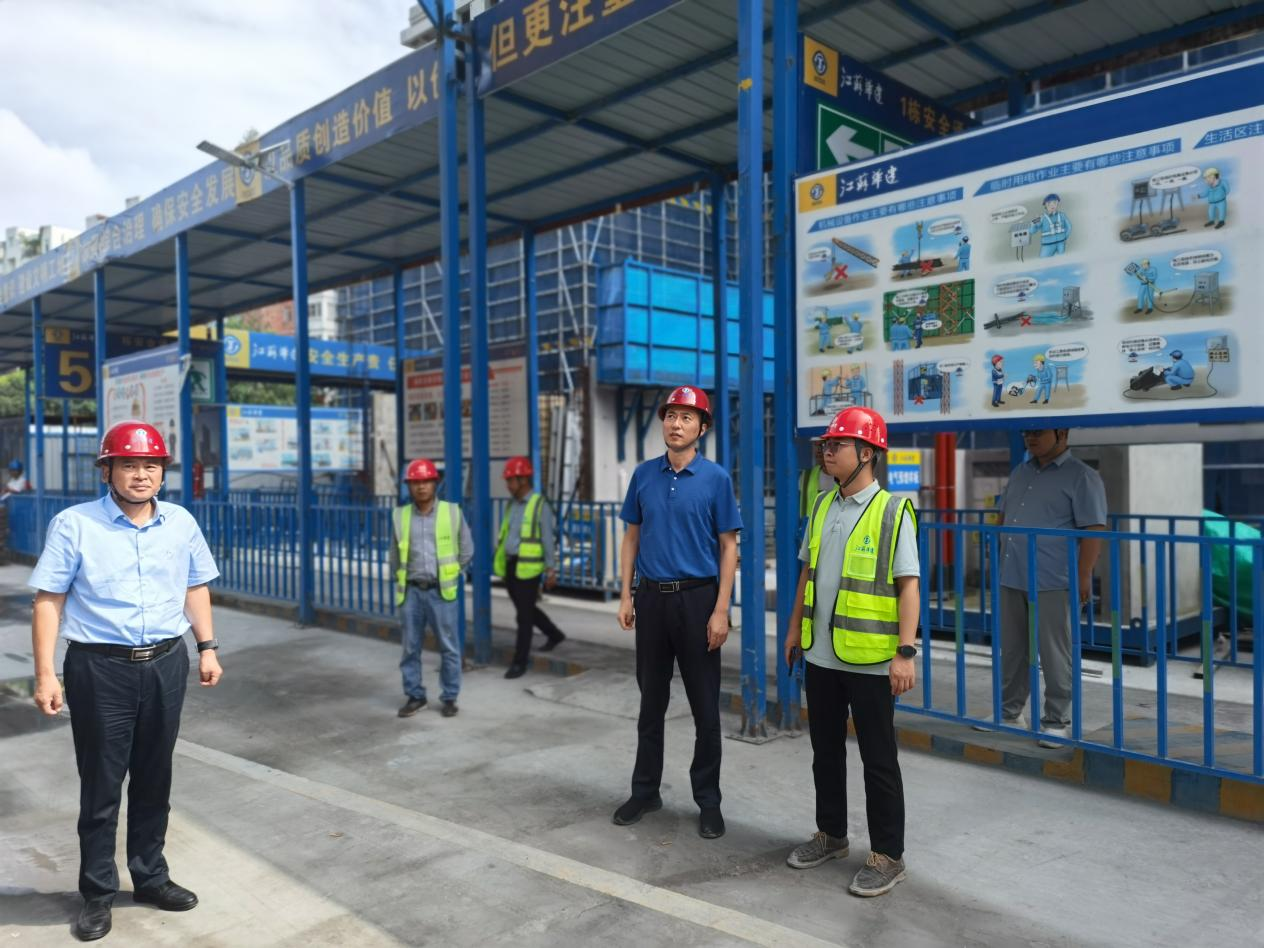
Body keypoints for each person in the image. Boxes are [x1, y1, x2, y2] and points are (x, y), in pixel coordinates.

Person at [29, 421, 222, 941]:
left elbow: (195, 586)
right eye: (130, 465)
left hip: (166, 662)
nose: (141, 475)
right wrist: (46, 673)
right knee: (102, 784)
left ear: (162, 473)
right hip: (99, 669)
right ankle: (97, 892)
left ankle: (151, 877)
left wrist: (207, 646)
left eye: (151, 466)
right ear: (108, 471)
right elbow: (48, 601)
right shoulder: (75, 525)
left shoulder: (180, 523)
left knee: (155, 777)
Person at [783, 406, 921, 898]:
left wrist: (905, 652)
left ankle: (888, 855)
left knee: (878, 759)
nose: (827, 451)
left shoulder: (892, 511)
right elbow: (807, 572)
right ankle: (832, 834)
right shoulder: (823, 505)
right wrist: (794, 630)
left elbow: (909, 585)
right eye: (826, 444)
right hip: (821, 655)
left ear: (867, 453)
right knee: (824, 752)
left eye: (837, 445)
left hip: (871, 659)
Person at [612, 385, 740, 840]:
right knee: (651, 703)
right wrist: (625, 595)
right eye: (670, 416)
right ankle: (645, 791)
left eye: (687, 417)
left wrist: (721, 609)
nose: (675, 424)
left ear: (702, 428)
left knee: (705, 708)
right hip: (652, 599)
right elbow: (631, 537)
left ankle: (709, 801)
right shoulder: (644, 475)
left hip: (698, 599)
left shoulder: (716, 479)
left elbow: (729, 547)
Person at [989, 429, 1106, 746]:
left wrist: (1084, 575)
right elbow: (1004, 516)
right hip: (1012, 574)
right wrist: (998, 554)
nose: (1030, 438)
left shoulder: (1082, 476)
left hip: (1053, 578)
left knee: (1055, 653)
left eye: (1038, 432)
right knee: (1013, 649)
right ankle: (1009, 713)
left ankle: (1057, 721)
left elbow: (1094, 528)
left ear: (1062, 434)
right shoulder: (1021, 471)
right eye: (1026, 432)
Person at [392, 458, 473, 719]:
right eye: (415, 482)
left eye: (426, 481)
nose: (421, 487)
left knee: (449, 647)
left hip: (441, 592)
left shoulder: (452, 512)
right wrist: (400, 578)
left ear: (435, 484)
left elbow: (467, 549)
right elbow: (395, 555)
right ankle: (415, 696)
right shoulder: (400, 516)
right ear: (409, 486)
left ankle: (450, 697)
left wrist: (452, 573)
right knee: (410, 647)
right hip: (412, 592)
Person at [495, 455, 565, 679]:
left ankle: (520, 662)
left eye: (511, 480)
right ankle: (554, 634)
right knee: (525, 610)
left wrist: (551, 569)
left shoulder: (539, 505)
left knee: (523, 617)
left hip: (529, 568)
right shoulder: (512, 504)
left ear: (523, 479)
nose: (508, 485)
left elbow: (547, 539)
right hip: (511, 565)